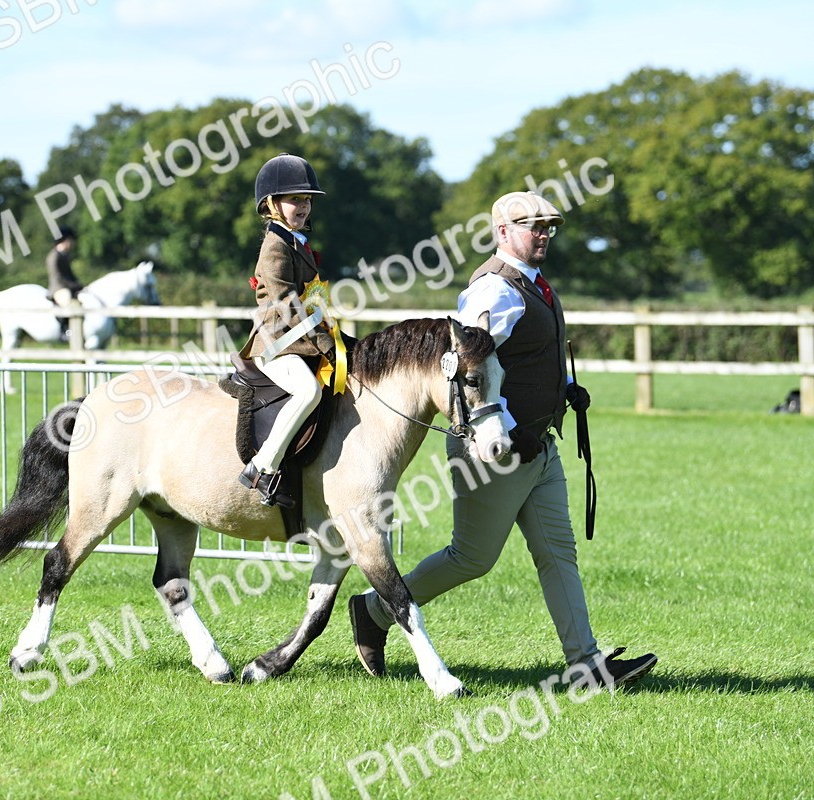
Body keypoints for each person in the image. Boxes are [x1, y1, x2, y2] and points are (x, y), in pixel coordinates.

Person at [346, 191, 658, 691]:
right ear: (502, 232)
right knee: (472, 558)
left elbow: (522, 359)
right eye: (532, 225)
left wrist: (563, 388)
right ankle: (375, 611)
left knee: (559, 554)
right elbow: (468, 373)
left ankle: (586, 667)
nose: (543, 234)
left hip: (539, 446)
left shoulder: (532, 285)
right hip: (494, 450)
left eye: (548, 226)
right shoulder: (494, 290)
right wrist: (511, 430)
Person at [237, 154, 335, 509]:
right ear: (271, 204)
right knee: (309, 391)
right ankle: (262, 468)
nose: (304, 206)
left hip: (300, 340)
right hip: (277, 342)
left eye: (307, 200)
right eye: (295, 199)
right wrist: (325, 343)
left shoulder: (297, 241)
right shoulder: (275, 246)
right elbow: (287, 304)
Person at [46, 225, 83, 338]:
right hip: (58, 288)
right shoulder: (54, 256)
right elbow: (58, 277)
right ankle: (64, 331)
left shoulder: (65, 255)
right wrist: (72, 285)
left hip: (67, 286)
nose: (71, 243)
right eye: (70, 240)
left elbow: (70, 275)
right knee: (68, 301)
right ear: (64, 240)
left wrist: (79, 285)